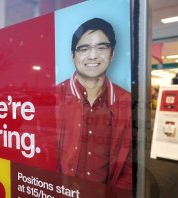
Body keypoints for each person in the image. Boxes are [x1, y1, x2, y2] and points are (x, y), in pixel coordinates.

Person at [56, 18, 132, 190]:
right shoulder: (53, 97)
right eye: (84, 49)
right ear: (72, 56)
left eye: (101, 47)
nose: (92, 56)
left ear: (112, 54)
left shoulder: (126, 101)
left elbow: (129, 162)